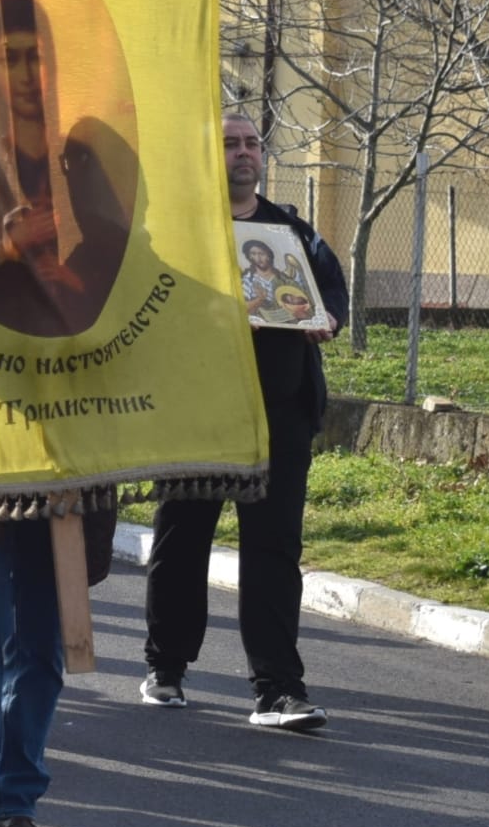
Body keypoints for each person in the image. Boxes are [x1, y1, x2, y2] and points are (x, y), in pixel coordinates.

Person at [142, 110, 348, 730]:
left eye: (251, 143)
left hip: (279, 414)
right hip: (199, 411)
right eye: (229, 144)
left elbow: (329, 297)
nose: (242, 153)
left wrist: (326, 321)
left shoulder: (292, 233)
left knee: (274, 548)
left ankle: (278, 689)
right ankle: (167, 668)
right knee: (182, 540)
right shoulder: (182, 231)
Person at [0, 0, 135, 338]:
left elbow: (128, 260)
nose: (26, 75)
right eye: (9, 59)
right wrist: (4, 250)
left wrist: (75, 279)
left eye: (36, 56)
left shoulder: (81, 158)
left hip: (88, 354)